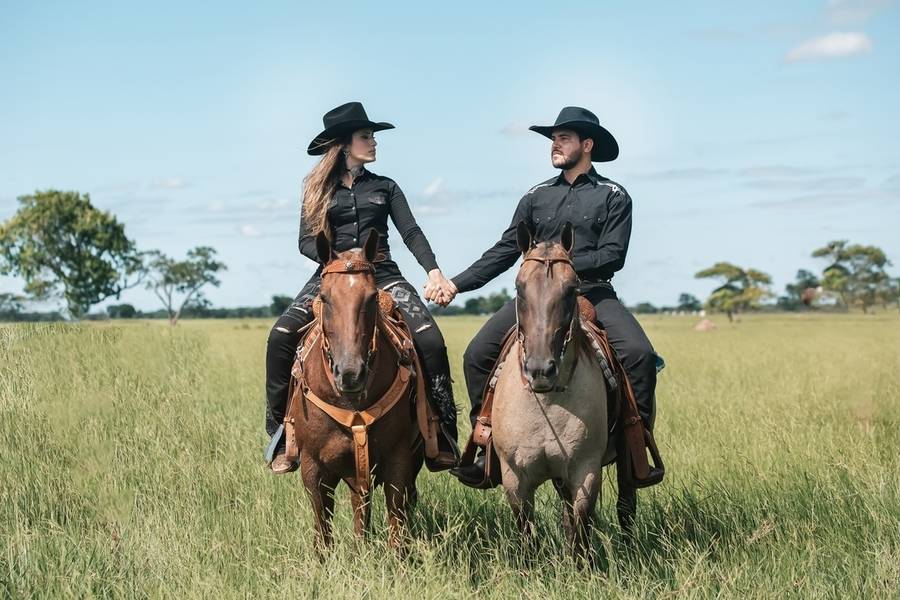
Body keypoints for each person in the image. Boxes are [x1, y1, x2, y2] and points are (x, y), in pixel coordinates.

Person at [425, 106, 659, 485]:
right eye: (553, 139)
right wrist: (456, 283)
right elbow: (504, 251)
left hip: (592, 291)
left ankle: (635, 447)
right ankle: (487, 444)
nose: (555, 144)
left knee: (639, 355)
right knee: (476, 353)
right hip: (533, 297)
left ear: (586, 145)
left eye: (563, 138)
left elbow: (613, 255)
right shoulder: (535, 197)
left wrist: (562, 264)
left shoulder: (613, 196)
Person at [265, 101, 459, 474]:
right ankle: (279, 434)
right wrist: (340, 259)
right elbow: (306, 241)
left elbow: (411, 232)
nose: (373, 143)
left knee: (430, 339)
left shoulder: (386, 187)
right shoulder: (315, 187)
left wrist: (433, 271)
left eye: (372, 137)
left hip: (383, 273)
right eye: (366, 136)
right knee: (280, 335)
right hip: (332, 275)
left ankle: (443, 434)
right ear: (343, 144)